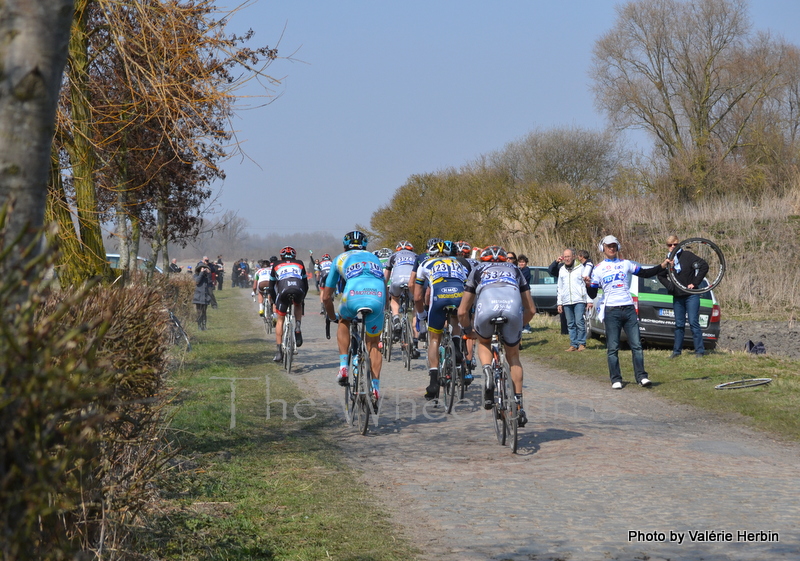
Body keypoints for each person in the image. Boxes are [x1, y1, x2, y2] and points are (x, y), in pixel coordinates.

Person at [458, 245, 536, 426]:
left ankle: (487, 373)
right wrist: (519, 325)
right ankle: (518, 405)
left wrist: (468, 330)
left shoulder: (477, 269)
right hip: (512, 311)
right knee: (514, 356)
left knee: (483, 342)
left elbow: (462, 311)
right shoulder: (515, 269)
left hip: (486, 309)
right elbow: (531, 309)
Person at [585, 235, 671, 389]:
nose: (611, 249)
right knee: (613, 347)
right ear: (602, 249)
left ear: (617, 247)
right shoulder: (598, 269)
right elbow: (592, 294)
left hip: (629, 309)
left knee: (637, 345)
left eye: (614, 246)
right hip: (611, 310)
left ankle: (642, 377)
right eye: (608, 246)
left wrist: (662, 265)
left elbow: (646, 273)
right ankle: (616, 379)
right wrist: (588, 285)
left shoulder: (626, 264)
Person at [323, 230, 386, 401]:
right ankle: (375, 388)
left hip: (353, 294)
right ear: (365, 246)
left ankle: (343, 366)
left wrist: (332, 317)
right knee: (373, 342)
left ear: (345, 246)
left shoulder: (340, 259)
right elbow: (384, 284)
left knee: (344, 320)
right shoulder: (374, 258)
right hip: (377, 296)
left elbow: (326, 296)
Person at [414, 240, 471, 399]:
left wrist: (421, 316)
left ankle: (433, 384)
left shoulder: (425, 263)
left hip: (439, 299)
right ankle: (458, 348)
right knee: (455, 320)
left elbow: (418, 296)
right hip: (459, 297)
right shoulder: (459, 263)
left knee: (434, 339)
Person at [657, 234, 709, 358]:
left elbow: (704, 266)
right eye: (670, 245)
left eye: (675, 244)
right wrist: (670, 286)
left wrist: (695, 283)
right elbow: (660, 275)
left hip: (691, 295)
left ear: (679, 244)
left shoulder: (688, 256)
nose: (673, 247)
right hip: (678, 296)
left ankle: (699, 351)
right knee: (679, 324)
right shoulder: (668, 259)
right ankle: (676, 352)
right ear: (667, 246)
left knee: (693, 322)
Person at [269, 247, 308, 363]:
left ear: (281, 257)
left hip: (284, 290)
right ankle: (297, 327)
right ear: (294, 257)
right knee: (297, 304)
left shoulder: (276, 264)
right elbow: (306, 285)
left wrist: (275, 301)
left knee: (280, 320)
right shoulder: (300, 263)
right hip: (298, 289)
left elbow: (271, 287)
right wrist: (302, 299)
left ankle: (279, 352)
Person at [556, 248, 593, 351]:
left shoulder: (581, 268)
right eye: (565, 257)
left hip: (579, 300)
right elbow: (560, 287)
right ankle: (573, 344)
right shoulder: (562, 270)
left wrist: (589, 300)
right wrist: (559, 303)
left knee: (579, 321)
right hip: (567, 300)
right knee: (570, 323)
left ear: (573, 257)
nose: (567, 259)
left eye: (568, 256)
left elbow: (587, 285)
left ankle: (582, 343)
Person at [384, 240, 418, 344]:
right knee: (416, 304)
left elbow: (386, 277)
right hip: (411, 281)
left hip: (398, 280)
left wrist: (385, 288)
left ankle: (396, 319)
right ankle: (415, 341)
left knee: (394, 299)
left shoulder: (393, 256)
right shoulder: (416, 256)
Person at [192, 260, 214, 329]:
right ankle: (199, 325)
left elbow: (210, 282)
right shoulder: (195, 275)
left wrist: (209, 274)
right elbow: (197, 281)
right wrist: (201, 273)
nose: (203, 269)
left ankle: (204, 325)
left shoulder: (206, 276)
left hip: (205, 296)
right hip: (198, 296)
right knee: (199, 312)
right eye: (201, 268)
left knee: (204, 312)